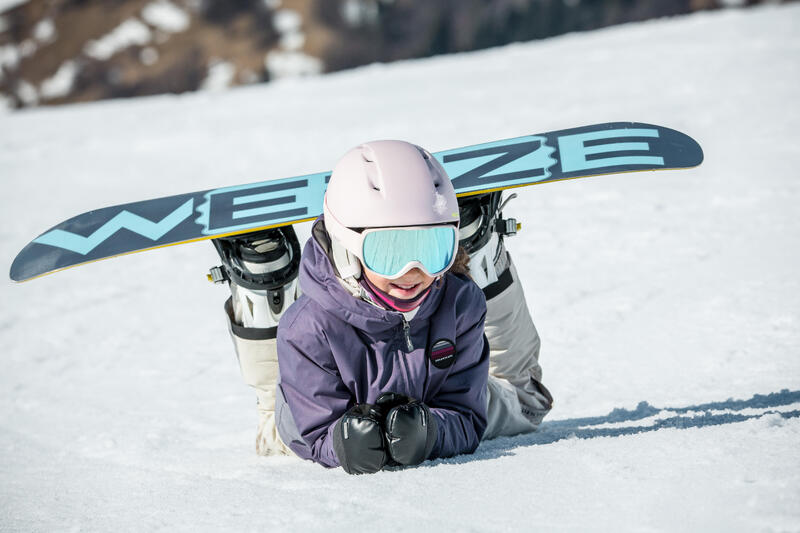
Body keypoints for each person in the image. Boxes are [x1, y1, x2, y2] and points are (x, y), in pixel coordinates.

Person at [211, 140, 553, 474]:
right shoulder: (307, 329)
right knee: (276, 428)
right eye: (389, 252)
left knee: (525, 400)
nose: (412, 272)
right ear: (349, 245)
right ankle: (263, 284)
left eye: (434, 248)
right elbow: (314, 432)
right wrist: (343, 444)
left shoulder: (459, 303)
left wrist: (431, 431)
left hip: (433, 405)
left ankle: (476, 251)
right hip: (319, 413)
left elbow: (465, 414)